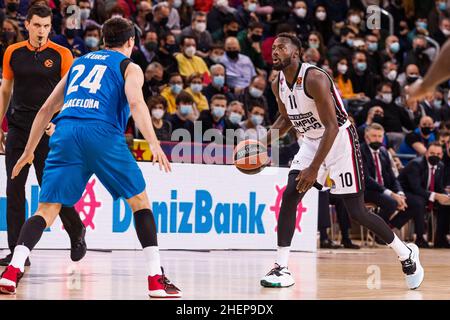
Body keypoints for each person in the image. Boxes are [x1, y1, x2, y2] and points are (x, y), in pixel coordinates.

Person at [0, 17, 181, 298]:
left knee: (46, 210)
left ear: (103, 38)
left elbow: (47, 108)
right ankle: (156, 279)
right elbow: (136, 102)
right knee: (140, 202)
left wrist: (28, 151)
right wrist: (154, 143)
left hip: (66, 132)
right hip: (102, 134)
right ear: (131, 42)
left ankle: (12, 271)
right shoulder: (129, 66)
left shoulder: (78, 63)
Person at [260, 33, 424, 290]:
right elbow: (285, 119)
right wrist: (262, 144)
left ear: (296, 53)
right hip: (312, 140)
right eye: (274, 48)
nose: (275, 51)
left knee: (357, 212)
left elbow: (332, 126)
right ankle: (281, 267)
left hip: (340, 141)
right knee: (290, 195)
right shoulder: (276, 84)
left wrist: (314, 168)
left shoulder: (314, 78)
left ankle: (405, 253)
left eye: (281, 47)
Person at [0, 5, 86, 267]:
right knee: (14, 189)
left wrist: (57, 122)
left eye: (46, 26)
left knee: (51, 189)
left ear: (51, 26)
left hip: (49, 131)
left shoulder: (62, 54)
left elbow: (70, 95)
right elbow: (5, 91)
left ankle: (76, 231)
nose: (41, 31)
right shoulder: (13, 52)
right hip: (18, 129)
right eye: (37, 25)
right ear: (27, 24)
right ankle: (17, 252)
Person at [397, 143, 450, 247]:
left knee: (446, 204)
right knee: (419, 202)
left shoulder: (441, 166)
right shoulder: (416, 164)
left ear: (442, 155)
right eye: (432, 153)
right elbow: (415, 188)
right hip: (406, 192)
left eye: (438, 154)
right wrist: (436, 196)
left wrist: (446, 196)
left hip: (424, 194)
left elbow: (439, 187)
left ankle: (440, 239)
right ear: (426, 153)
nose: (435, 156)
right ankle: (420, 238)